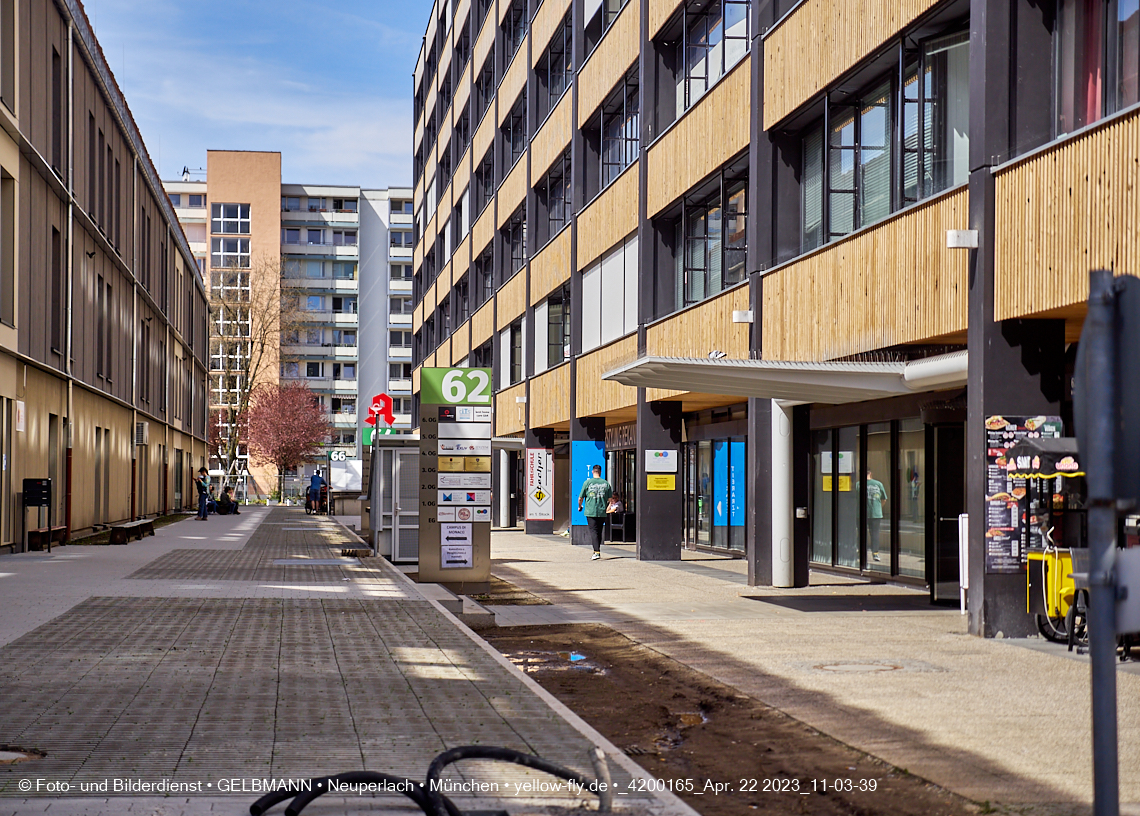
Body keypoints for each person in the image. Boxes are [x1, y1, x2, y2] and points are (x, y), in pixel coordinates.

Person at [577, 465, 613, 561]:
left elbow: (580, 498)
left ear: (593, 472)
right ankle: (597, 550)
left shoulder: (587, 483)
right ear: (600, 472)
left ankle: (596, 551)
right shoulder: (606, 484)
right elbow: (610, 500)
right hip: (602, 511)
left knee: (593, 531)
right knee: (599, 530)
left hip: (590, 510)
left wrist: (580, 506)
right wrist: (607, 508)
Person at [862, 468, 889, 562]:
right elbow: (884, 499)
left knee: (862, 533)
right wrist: (878, 507)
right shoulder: (878, 484)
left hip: (862, 513)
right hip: (876, 513)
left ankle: (861, 553)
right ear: (870, 473)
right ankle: (875, 553)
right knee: (875, 534)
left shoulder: (858, 484)